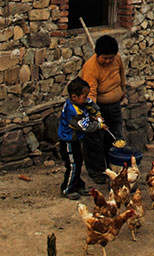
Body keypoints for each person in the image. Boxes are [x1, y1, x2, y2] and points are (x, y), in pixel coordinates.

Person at [79, 35, 127, 183]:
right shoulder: (91, 67)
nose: (108, 61)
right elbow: (90, 93)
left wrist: (123, 90)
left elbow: (122, 75)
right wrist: (94, 114)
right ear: (97, 55)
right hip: (98, 108)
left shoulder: (117, 59)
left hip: (114, 106)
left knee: (115, 136)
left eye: (110, 58)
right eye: (104, 58)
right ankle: (97, 171)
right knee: (95, 140)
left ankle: (115, 168)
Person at [57, 77, 103, 199]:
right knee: (73, 165)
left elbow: (90, 103)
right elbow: (85, 126)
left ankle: (78, 185)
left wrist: (96, 113)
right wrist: (99, 125)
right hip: (68, 142)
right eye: (84, 96)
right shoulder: (72, 112)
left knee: (78, 162)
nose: (86, 98)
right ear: (74, 97)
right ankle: (67, 188)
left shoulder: (80, 102)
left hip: (76, 140)